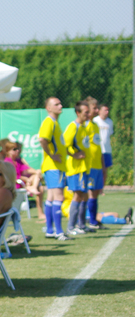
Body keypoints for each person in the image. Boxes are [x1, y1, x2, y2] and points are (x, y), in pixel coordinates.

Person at [39, 97, 71, 241]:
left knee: (51, 197)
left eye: (60, 103)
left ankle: (51, 230)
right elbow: (42, 139)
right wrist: (52, 156)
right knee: (59, 197)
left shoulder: (55, 123)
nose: (60, 105)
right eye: (56, 104)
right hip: (54, 167)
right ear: (48, 108)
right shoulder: (49, 121)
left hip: (54, 167)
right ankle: (59, 231)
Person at [64, 100, 91, 235]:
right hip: (76, 169)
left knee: (84, 195)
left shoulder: (83, 127)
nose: (88, 114)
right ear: (78, 113)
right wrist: (74, 155)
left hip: (84, 168)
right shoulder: (73, 127)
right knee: (77, 195)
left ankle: (81, 225)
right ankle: (71, 226)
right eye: (86, 112)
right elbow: (64, 145)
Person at [3, 140, 45, 220]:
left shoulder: (18, 160)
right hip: (14, 185)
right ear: (8, 150)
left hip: (22, 183)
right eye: (14, 149)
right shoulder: (7, 162)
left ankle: (40, 213)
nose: (17, 151)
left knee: (40, 186)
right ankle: (32, 188)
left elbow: (27, 169)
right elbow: (12, 176)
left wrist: (37, 172)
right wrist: (25, 178)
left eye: (18, 149)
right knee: (38, 184)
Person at [84, 97, 105, 230]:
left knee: (96, 193)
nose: (97, 110)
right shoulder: (84, 126)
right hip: (89, 165)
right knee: (90, 193)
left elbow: (98, 146)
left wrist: (102, 164)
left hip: (97, 164)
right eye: (94, 108)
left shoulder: (95, 125)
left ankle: (94, 220)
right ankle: (90, 221)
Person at [93, 103, 114, 186]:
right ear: (99, 111)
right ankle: (94, 186)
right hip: (98, 149)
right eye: (105, 110)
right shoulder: (95, 121)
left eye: (108, 110)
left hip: (107, 149)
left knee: (105, 170)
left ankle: (101, 188)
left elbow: (109, 135)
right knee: (97, 169)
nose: (107, 112)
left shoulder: (110, 122)